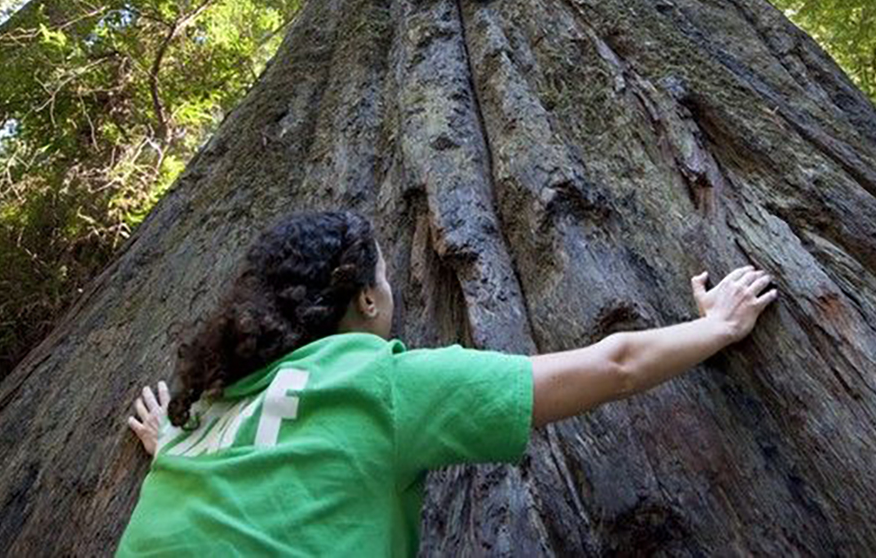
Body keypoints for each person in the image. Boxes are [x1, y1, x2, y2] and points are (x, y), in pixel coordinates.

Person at [117, 209, 778, 555]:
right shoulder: (380, 383)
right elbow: (614, 367)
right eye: (383, 277)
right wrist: (717, 328)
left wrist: (171, 446)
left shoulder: (214, 404)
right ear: (367, 303)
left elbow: (228, 484)